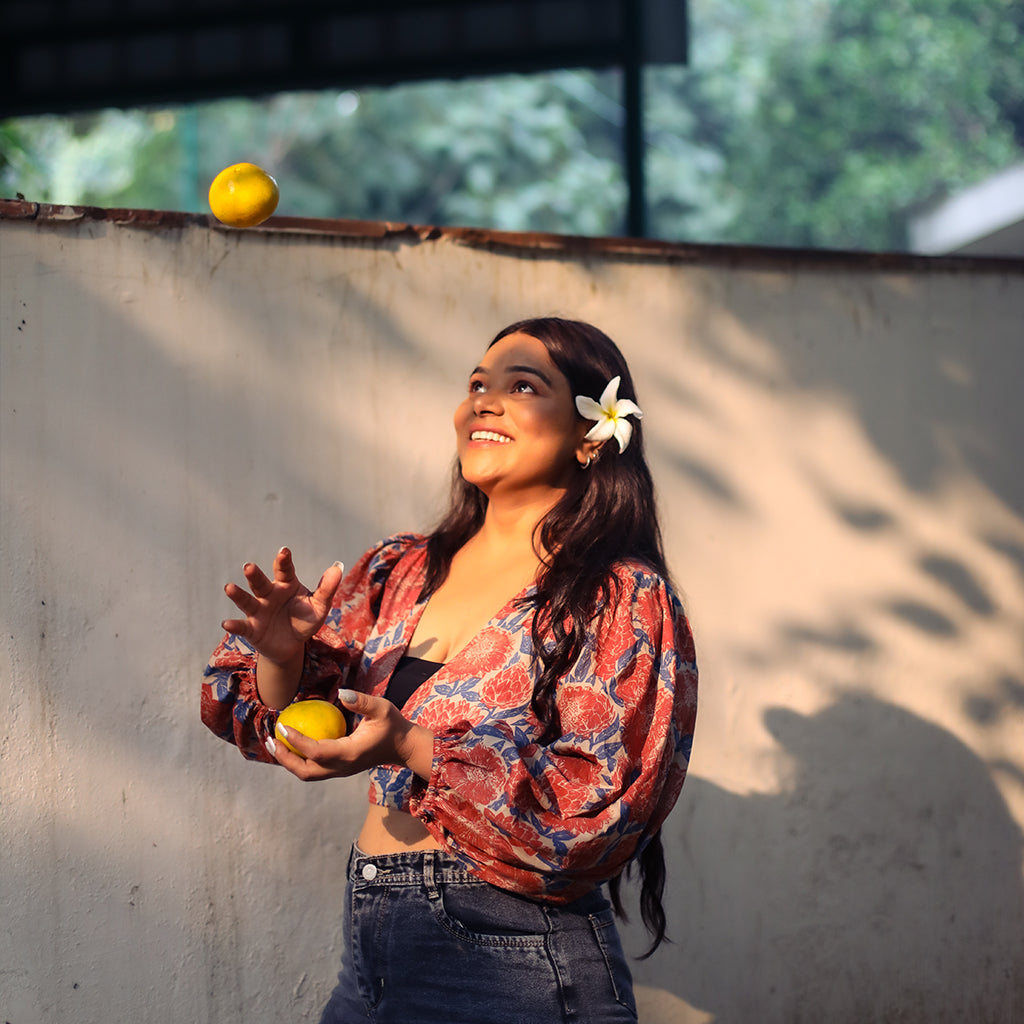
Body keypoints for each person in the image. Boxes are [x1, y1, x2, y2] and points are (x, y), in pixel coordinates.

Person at [201, 317, 698, 1024]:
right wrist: (282, 660)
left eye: (523, 387)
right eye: (476, 384)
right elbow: (300, 720)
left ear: (592, 435)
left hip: (515, 962)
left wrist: (412, 745)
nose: (483, 401)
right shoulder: (402, 567)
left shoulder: (618, 596)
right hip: (372, 947)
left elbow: (599, 806)